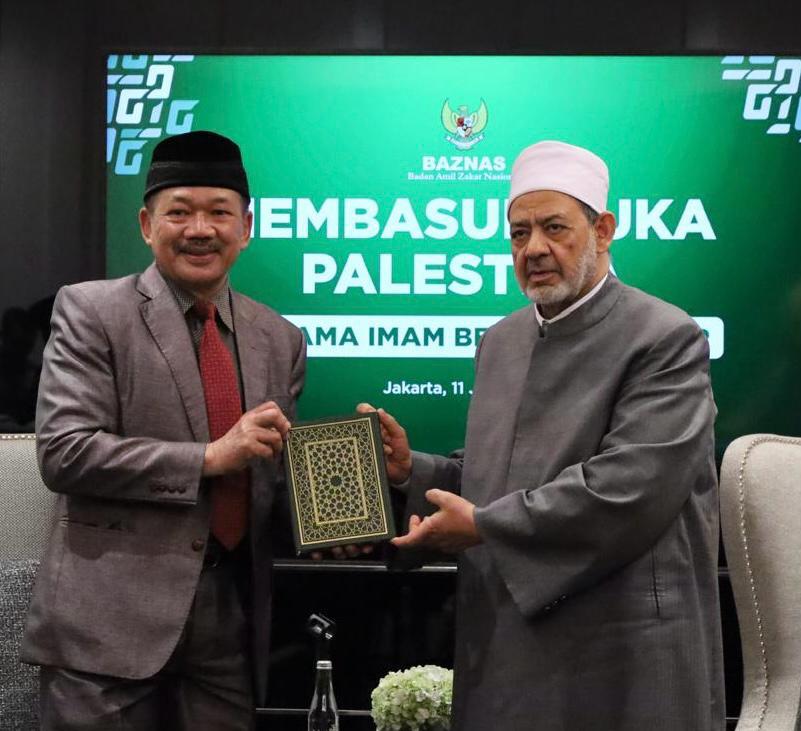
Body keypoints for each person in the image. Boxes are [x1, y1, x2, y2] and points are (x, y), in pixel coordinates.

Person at [363, 141, 725, 730]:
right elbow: (499, 476)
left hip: (623, 648)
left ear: (602, 231)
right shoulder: (501, 341)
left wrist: (484, 527)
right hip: (510, 644)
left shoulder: (665, 336)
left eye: (554, 228)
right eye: (519, 233)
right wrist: (413, 472)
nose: (533, 248)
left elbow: (629, 488)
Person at [21, 130, 305, 730]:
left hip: (230, 628)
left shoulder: (280, 338)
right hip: (107, 630)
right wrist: (208, 458)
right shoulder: (91, 311)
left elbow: (270, 481)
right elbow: (65, 452)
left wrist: (340, 522)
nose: (200, 229)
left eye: (219, 213)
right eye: (179, 212)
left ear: (246, 228)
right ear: (147, 225)